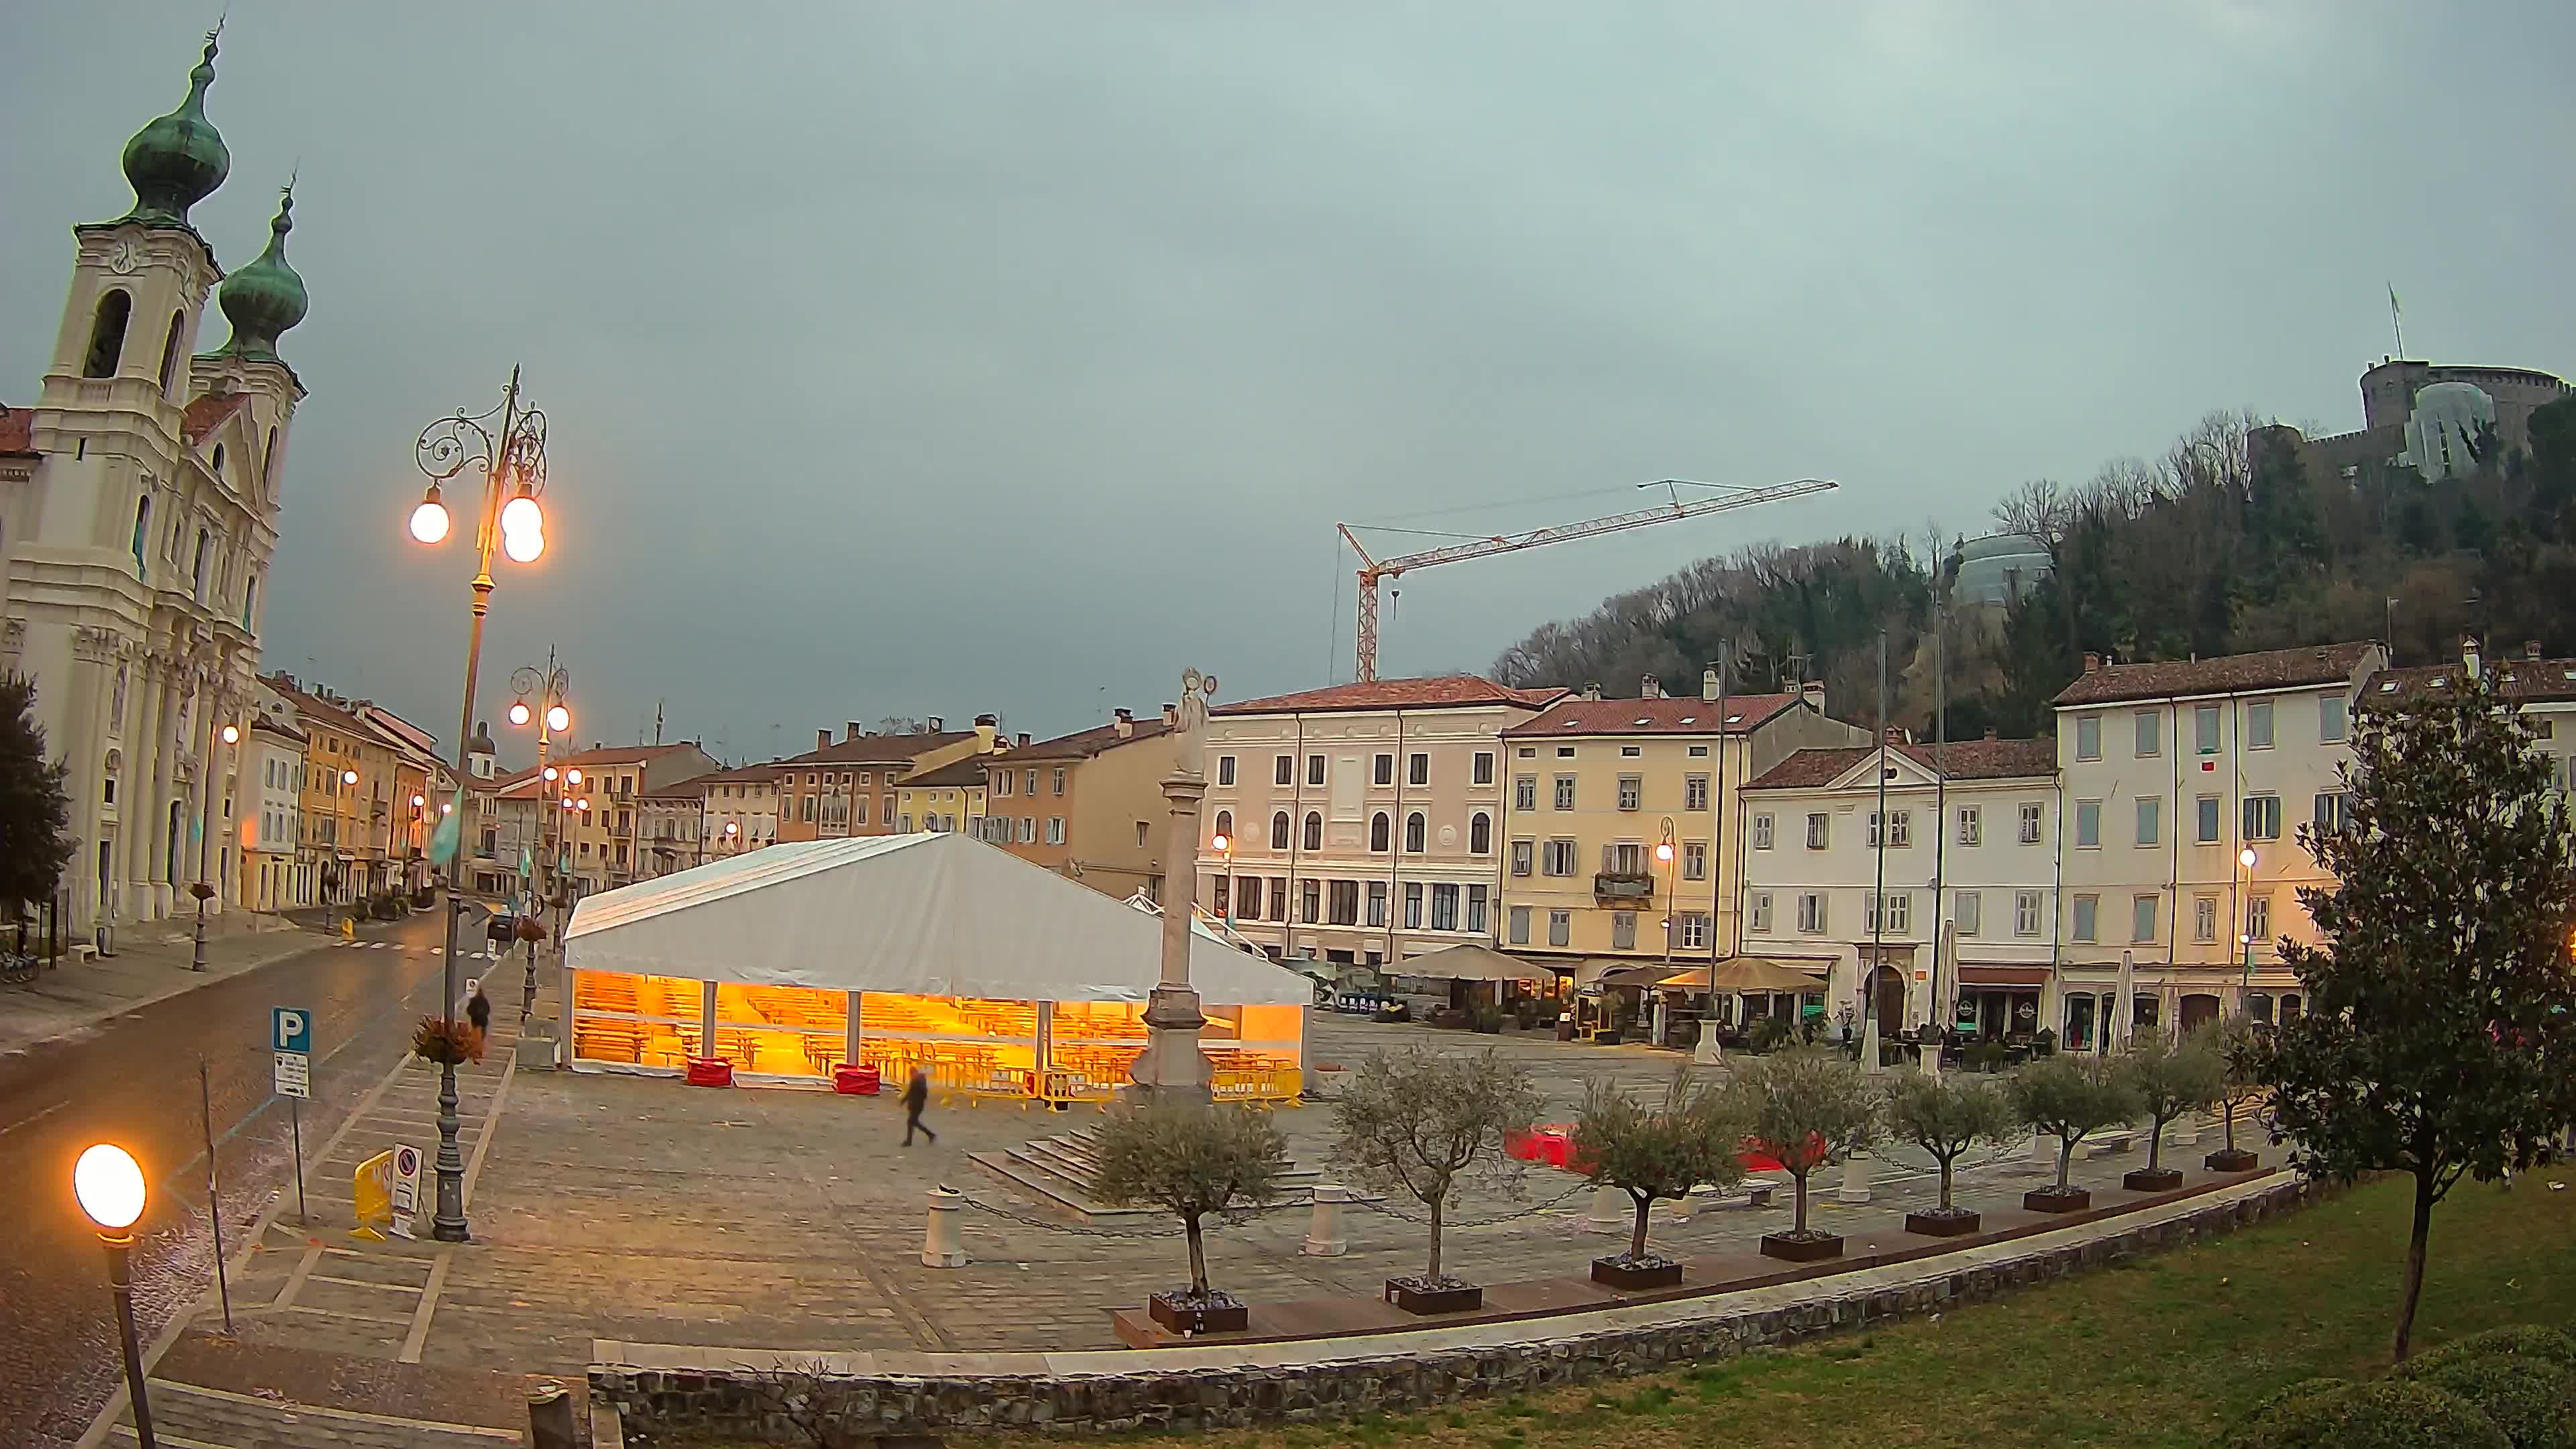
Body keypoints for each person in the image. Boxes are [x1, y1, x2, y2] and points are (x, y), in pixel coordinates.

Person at [901, 1067, 936, 1147]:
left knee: (912, 1122)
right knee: (913, 1122)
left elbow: (910, 1092)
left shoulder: (915, 1080)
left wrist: (904, 1100)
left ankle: (910, 1141)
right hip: (919, 1104)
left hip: (915, 1104)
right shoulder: (921, 1079)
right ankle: (929, 1135)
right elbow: (923, 1093)